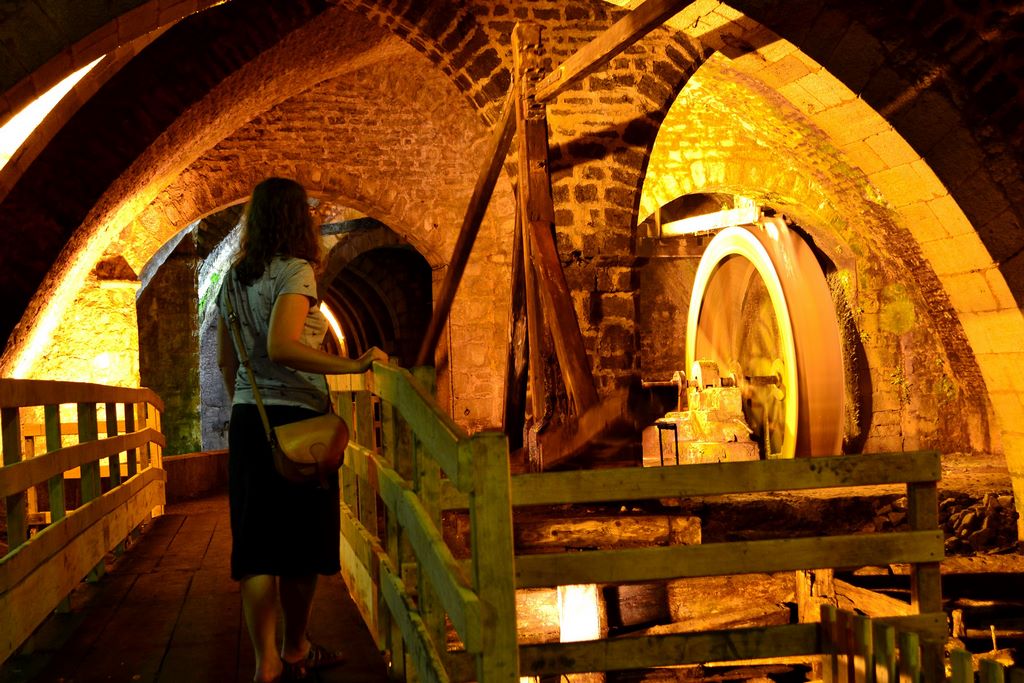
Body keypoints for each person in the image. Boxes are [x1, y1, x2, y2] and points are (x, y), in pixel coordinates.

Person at [217, 177, 386, 683]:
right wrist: (353, 365)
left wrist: (247, 408)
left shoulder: (233, 279)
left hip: (251, 420)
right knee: (301, 542)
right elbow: (282, 347)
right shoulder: (295, 271)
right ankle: (294, 648)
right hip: (297, 420)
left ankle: (265, 660)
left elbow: (229, 361)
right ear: (297, 219)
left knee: (255, 546)